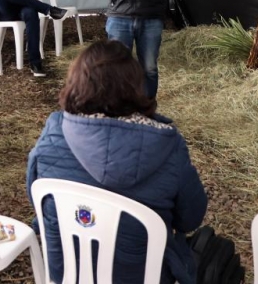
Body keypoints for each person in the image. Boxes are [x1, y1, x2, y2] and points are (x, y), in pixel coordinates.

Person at [27, 40, 207, 284]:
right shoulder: (168, 144)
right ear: (136, 86)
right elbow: (190, 219)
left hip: (68, 275)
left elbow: (39, 202)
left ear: (76, 83)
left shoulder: (52, 135)